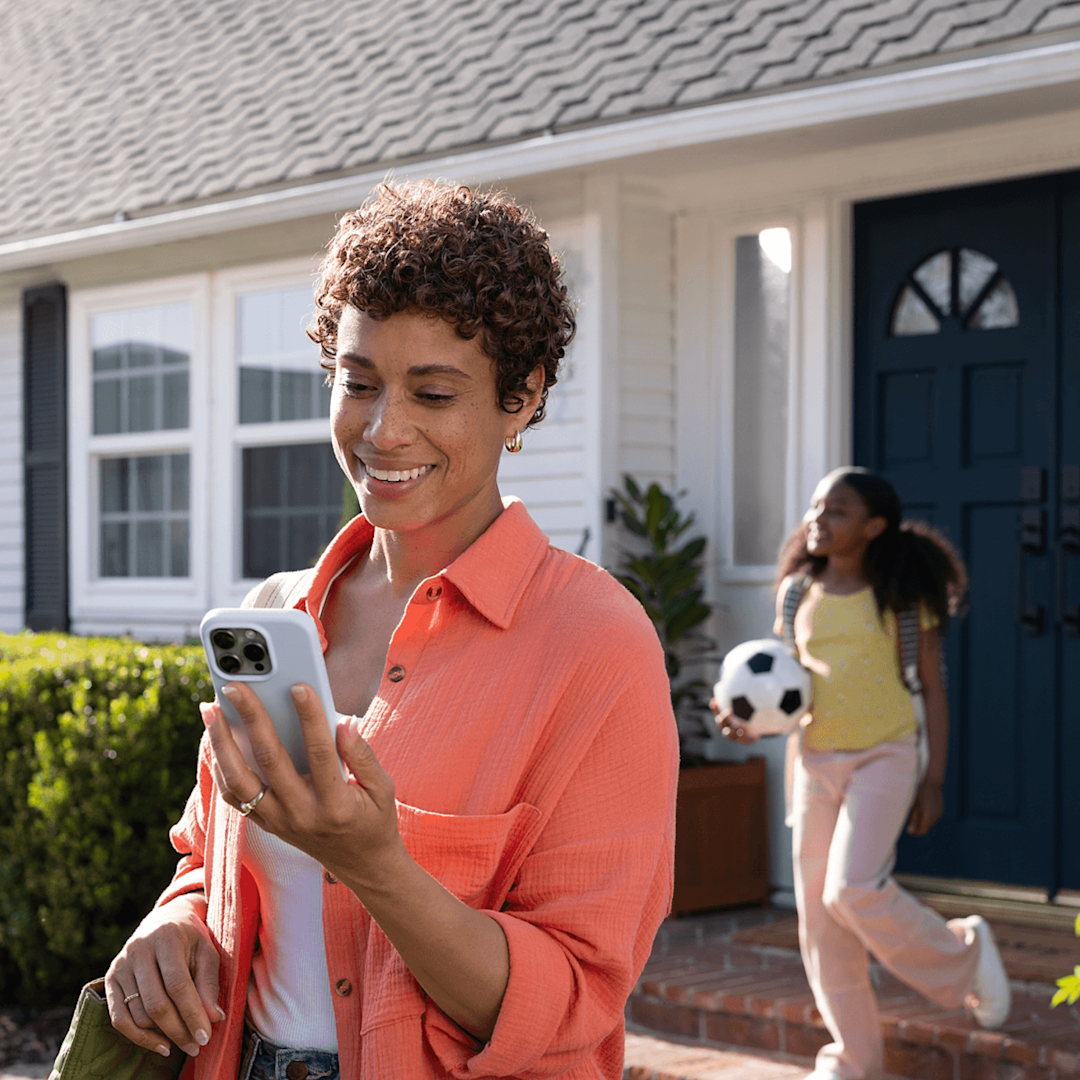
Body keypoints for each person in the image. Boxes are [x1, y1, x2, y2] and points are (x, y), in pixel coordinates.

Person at [104, 180, 679, 1080]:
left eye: (434, 393)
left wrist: (375, 865)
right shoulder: (279, 613)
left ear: (521, 396)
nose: (384, 430)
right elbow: (207, 861)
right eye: (358, 382)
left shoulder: (596, 645)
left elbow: (570, 1000)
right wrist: (171, 926)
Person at [713, 467, 1010, 1080]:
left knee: (852, 890)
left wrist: (934, 780)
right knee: (821, 922)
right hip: (814, 762)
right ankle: (852, 1061)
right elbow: (783, 686)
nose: (818, 519)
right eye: (816, 507)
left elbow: (932, 688)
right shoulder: (797, 591)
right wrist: (748, 724)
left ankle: (966, 953)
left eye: (838, 511)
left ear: (874, 526)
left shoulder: (901, 596)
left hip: (886, 755)